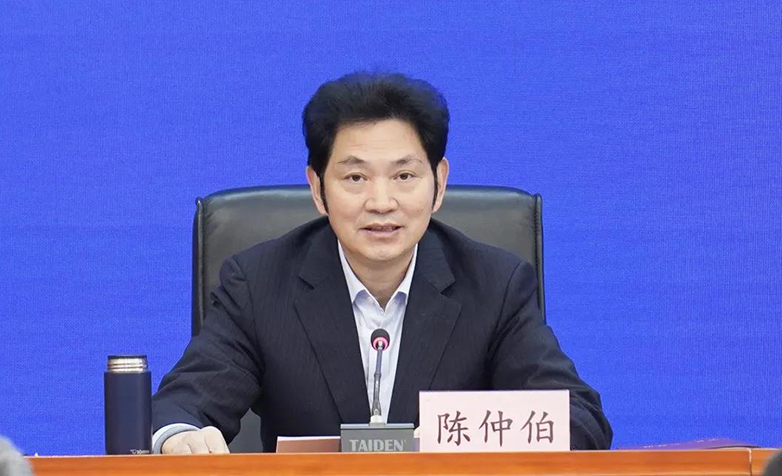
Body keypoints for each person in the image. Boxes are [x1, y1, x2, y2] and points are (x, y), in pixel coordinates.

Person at [152, 72, 612, 453]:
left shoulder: (495, 285)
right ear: (317, 188)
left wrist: (459, 439)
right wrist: (180, 437)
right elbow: (179, 408)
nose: (381, 201)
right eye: (355, 177)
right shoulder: (258, 284)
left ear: (439, 184)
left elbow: (579, 420)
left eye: (404, 175)